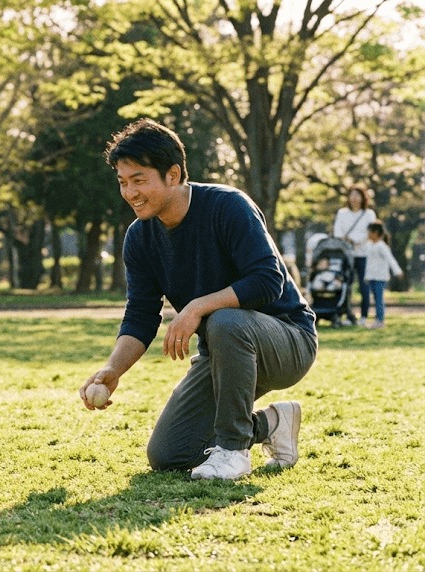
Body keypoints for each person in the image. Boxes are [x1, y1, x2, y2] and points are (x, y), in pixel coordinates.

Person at [79, 119, 318, 481]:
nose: (129, 193)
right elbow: (141, 315)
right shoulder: (139, 238)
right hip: (223, 350)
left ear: (173, 175)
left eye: (139, 180)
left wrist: (197, 306)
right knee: (169, 454)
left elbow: (268, 280)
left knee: (224, 320)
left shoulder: (228, 206)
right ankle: (272, 423)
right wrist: (114, 368)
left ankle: (234, 452)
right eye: (123, 182)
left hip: (287, 340)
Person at [332, 186, 376, 326]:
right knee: (345, 287)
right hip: (346, 255)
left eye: (358, 195)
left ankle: (363, 317)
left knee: (364, 287)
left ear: (363, 197)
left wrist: (353, 240)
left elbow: (370, 233)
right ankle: (347, 315)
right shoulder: (342, 213)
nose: (354, 198)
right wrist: (346, 240)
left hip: (363, 255)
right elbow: (337, 232)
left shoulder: (369, 214)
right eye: (352, 195)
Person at [362, 221, 403, 329]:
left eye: (369, 232)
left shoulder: (382, 246)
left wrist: (397, 271)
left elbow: (390, 260)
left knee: (379, 299)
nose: (368, 234)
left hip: (380, 278)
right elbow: (369, 264)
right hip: (372, 277)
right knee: (376, 299)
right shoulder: (369, 245)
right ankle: (378, 319)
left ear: (375, 233)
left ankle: (380, 320)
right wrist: (367, 276)